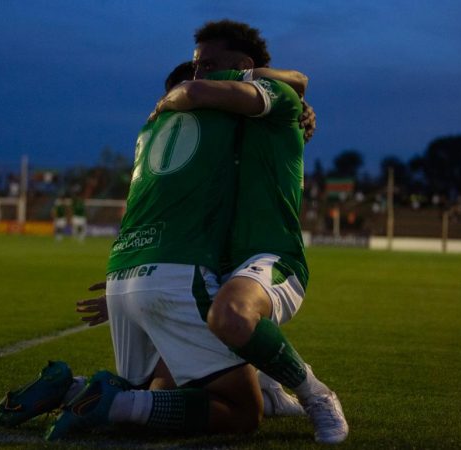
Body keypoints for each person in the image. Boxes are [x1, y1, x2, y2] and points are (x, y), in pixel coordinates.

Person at [0, 63, 263, 440]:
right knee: (240, 411)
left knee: (147, 389)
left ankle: (68, 388)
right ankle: (111, 403)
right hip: (176, 278)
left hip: (126, 272)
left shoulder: (150, 131)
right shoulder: (215, 134)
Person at [148, 19, 348, 444]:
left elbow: (297, 81)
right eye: (198, 67)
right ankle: (267, 389)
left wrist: (182, 95)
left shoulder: (275, 98)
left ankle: (316, 393)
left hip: (270, 255)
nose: (199, 73)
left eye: (209, 64)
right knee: (161, 388)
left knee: (232, 314)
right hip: (212, 264)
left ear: (242, 66)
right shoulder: (221, 121)